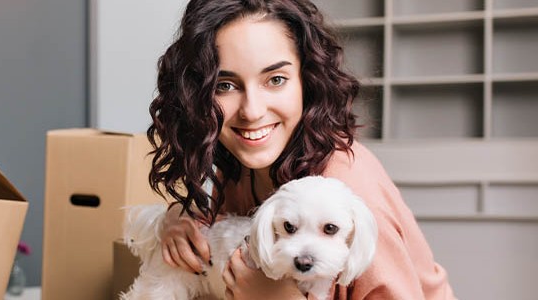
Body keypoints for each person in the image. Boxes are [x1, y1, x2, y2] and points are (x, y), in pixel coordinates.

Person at [145, 0, 456, 299]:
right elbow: (233, 248)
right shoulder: (240, 162)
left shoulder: (349, 189)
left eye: (276, 79)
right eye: (224, 85)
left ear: (307, 81)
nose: (251, 111)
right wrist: (182, 221)